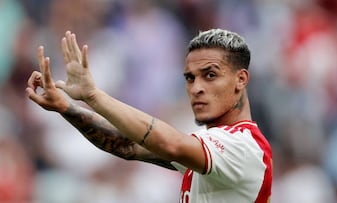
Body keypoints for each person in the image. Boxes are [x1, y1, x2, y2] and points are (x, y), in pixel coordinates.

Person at [26, 28, 272, 203]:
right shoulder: (210, 147)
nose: (196, 87)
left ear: (240, 79)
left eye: (210, 75)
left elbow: (171, 144)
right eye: (190, 78)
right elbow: (127, 145)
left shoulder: (244, 146)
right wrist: (66, 107)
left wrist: (93, 96)